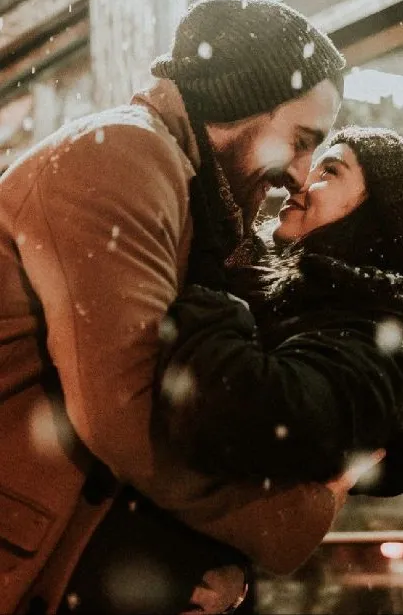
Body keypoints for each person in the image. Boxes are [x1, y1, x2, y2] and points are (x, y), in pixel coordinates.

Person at [0, 0, 346, 614]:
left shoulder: (191, 193)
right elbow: (123, 413)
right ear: (241, 104)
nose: (300, 173)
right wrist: (293, 516)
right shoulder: (120, 157)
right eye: (300, 140)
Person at [157, 126, 403, 497]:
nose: (300, 180)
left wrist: (210, 289)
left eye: (330, 171)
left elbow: (247, 415)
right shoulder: (297, 298)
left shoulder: (376, 332)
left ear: (376, 215)